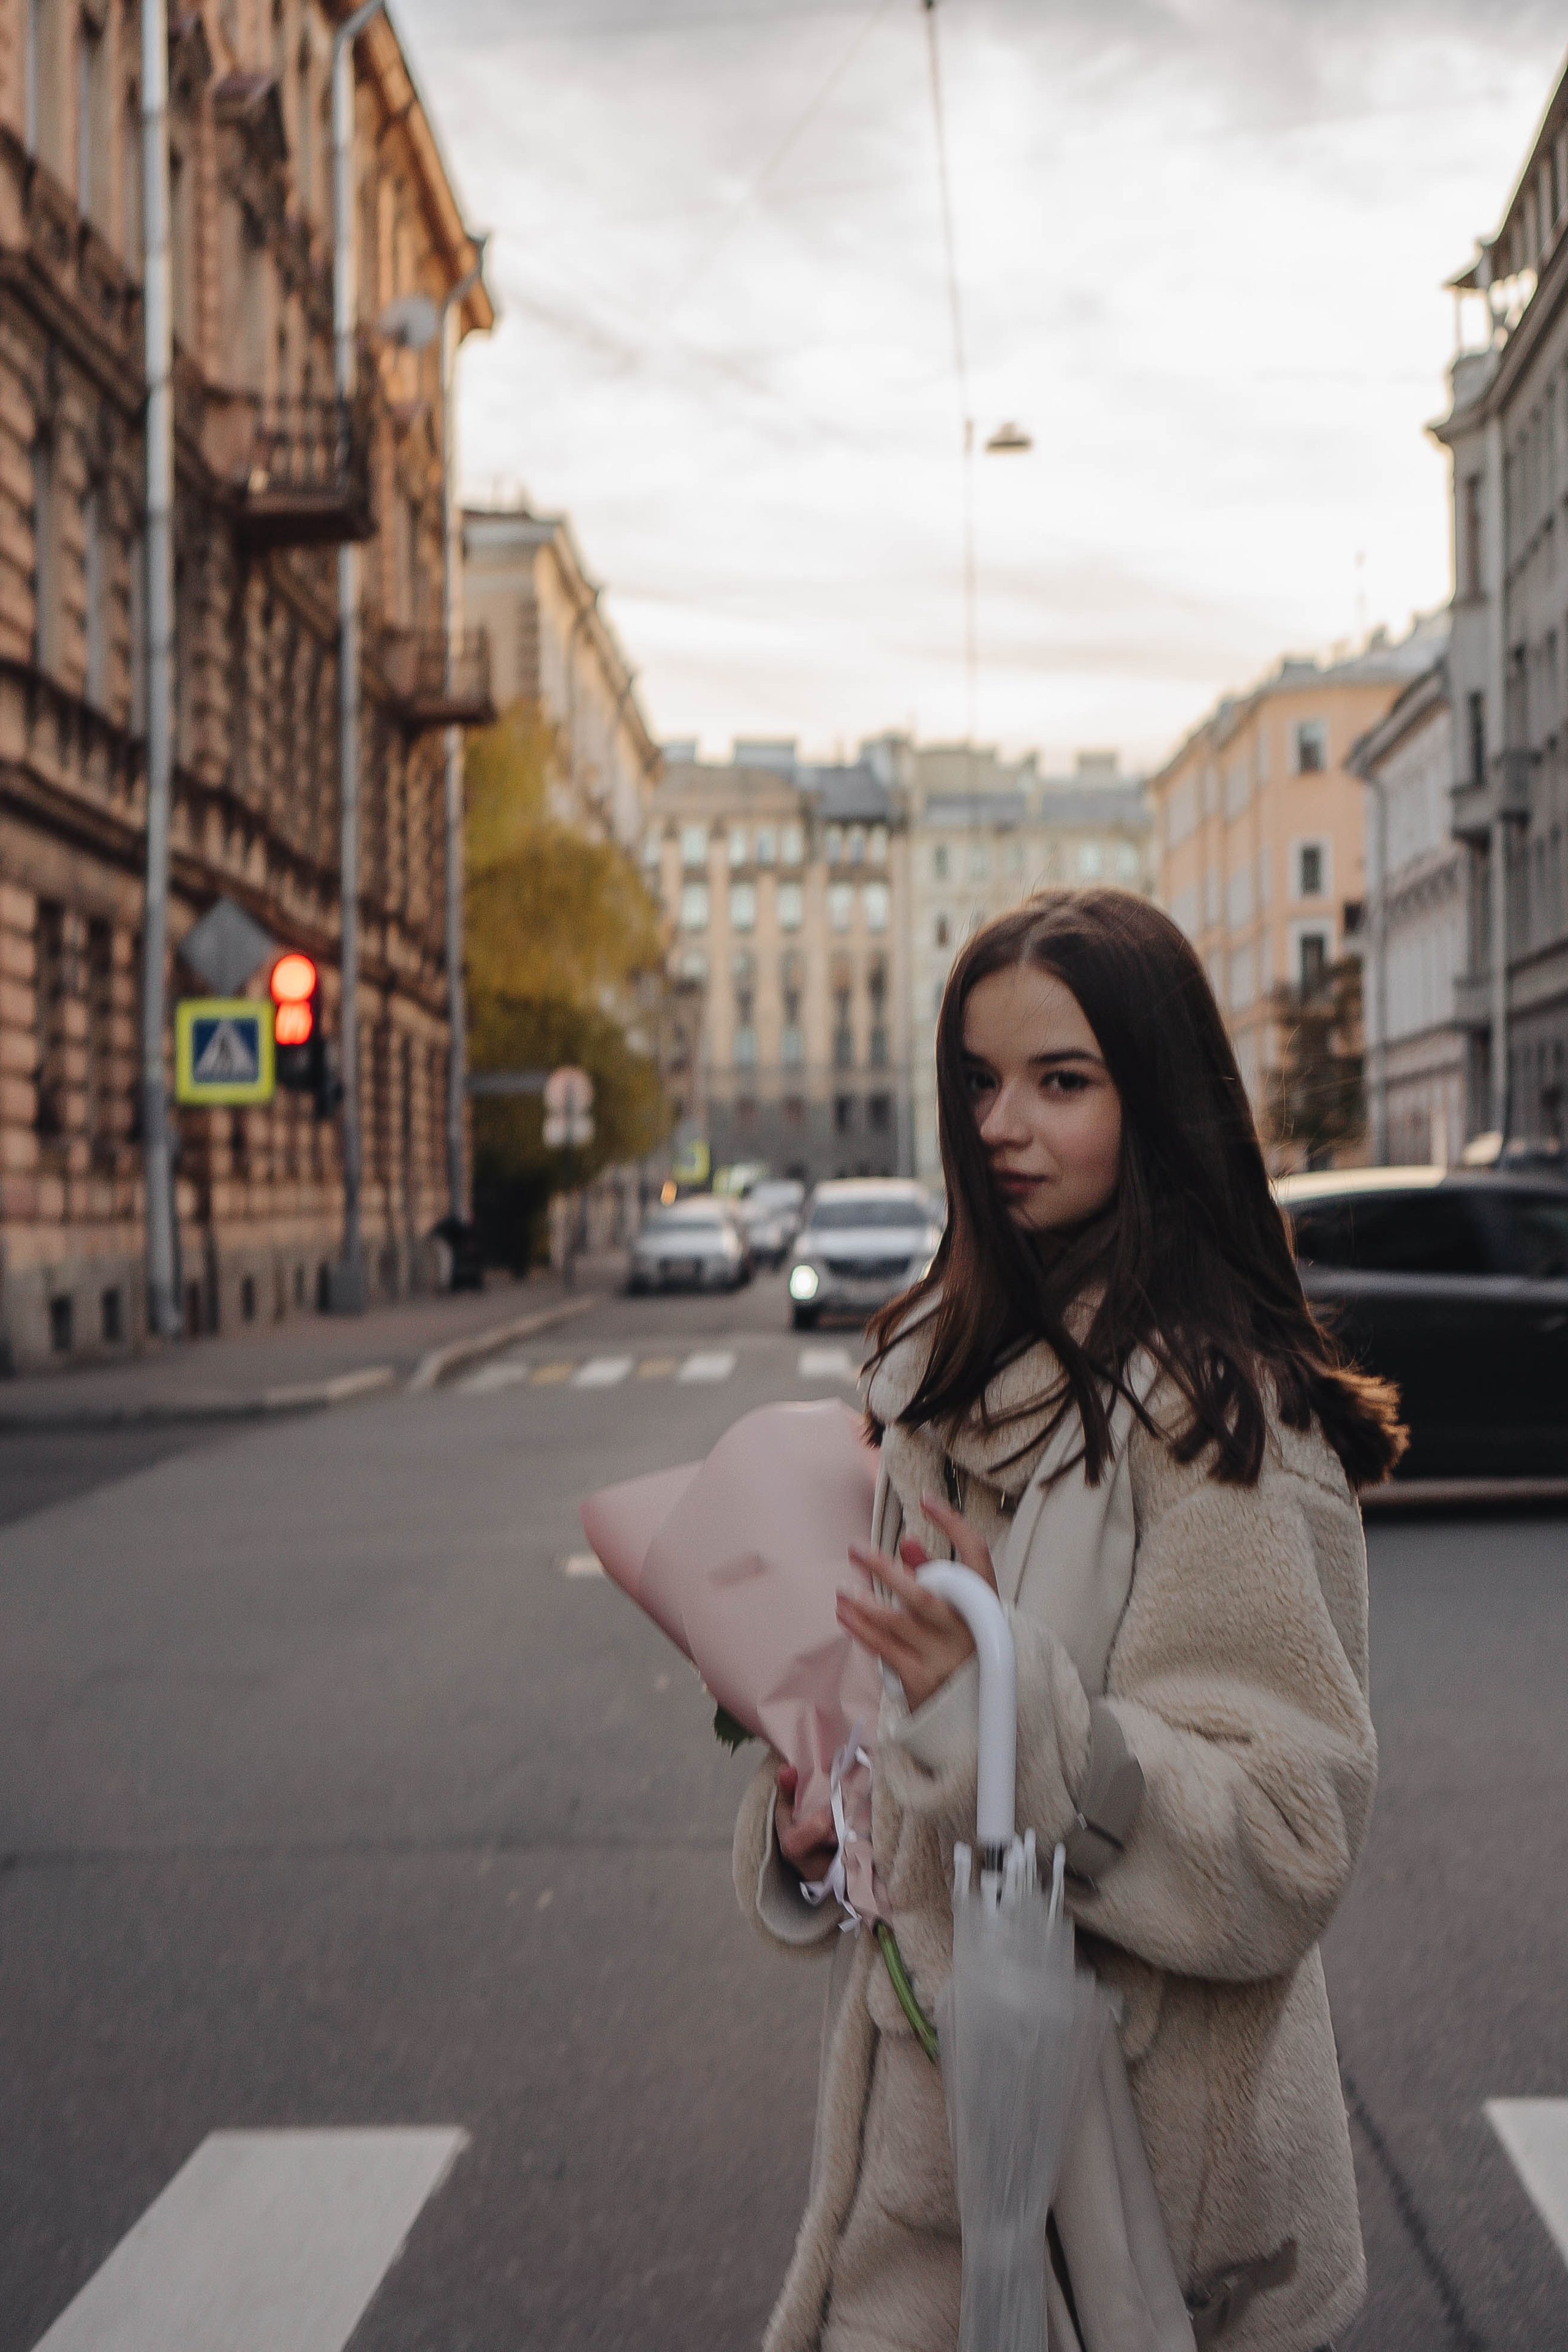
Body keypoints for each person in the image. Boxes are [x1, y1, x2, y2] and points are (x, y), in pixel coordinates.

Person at [732, 889, 1402, 2352]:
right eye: (975, 1081)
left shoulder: (1220, 1417)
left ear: (1154, 1101)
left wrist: (1004, 1721)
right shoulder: (934, 1382)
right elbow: (921, 1736)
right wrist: (834, 1806)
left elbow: (1288, 1831)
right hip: (937, 2174)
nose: (1000, 1124)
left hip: (1143, 2204)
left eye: (1059, 1081)